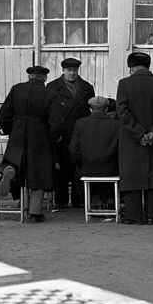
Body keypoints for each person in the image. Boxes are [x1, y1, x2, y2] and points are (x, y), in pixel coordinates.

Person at [116, 51, 153, 224]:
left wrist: (139, 133)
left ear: (131, 67)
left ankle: (133, 216)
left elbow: (122, 112)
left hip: (131, 139)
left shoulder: (124, 84)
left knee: (132, 175)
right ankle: (152, 216)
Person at [0, 65, 56, 223]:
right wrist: (52, 136)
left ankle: (10, 170)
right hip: (40, 135)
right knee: (39, 173)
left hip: (18, 132)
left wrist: (11, 129)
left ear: (29, 76)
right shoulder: (49, 93)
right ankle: (35, 212)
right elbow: (56, 121)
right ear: (44, 78)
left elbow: (3, 114)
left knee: (17, 163)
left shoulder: (17, 89)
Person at [47, 57, 95, 208]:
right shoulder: (52, 87)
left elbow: (89, 112)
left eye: (74, 70)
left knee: (78, 166)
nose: (72, 73)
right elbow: (48, 111)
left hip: (80, 134)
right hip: (60, 134)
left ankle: (78, 199)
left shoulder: (87, 88)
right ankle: (60, 200)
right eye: (69, 71)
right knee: (60, 167)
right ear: (63, 71)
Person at [69, 96, 120, 208]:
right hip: (110, 169)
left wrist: (78, 163)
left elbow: (73, 149)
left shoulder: (81, 123)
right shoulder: (116, 124)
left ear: (90, 109)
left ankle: (94, 203)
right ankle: (108, 202)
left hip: (86, 168)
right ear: (106, 109)